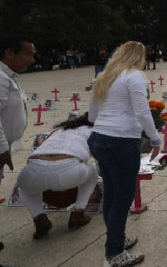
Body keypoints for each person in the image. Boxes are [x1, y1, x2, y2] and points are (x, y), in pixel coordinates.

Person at [87, 41, 161, 267]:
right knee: (123, 197)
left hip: (99, 137)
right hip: (121, 140)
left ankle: (115, 239)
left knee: (111, 193)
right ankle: (114, 253)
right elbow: (142, 109)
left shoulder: (104, 76)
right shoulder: (134, 75)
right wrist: (155, 138)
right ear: (138, 57)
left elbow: (92, 114)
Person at [16, 113, 98, 239]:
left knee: (24, 189)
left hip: (32, 169)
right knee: (92, 171)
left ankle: (39, 218)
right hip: (67, 170)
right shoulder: (93, 130)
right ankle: (78, 213)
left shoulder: (59, 130)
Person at [0, 35, 34, 244]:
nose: (31, 59)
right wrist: (3, 148)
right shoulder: (1, 78)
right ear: (9, 53)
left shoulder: (9, 76)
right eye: (28, 54)